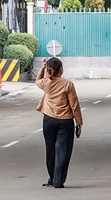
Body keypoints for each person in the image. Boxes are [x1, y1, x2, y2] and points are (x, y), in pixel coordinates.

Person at [35, 57, 83, 188]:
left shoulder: (46, 83)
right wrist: (79, 122)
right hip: (65, 121)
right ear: (61, 69)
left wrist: (43, 67)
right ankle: (58, 180)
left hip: (49, 120)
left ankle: (52, 178)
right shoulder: (67, 84)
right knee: (62, 151)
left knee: (50, 150)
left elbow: (37, 80)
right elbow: (74, 105)